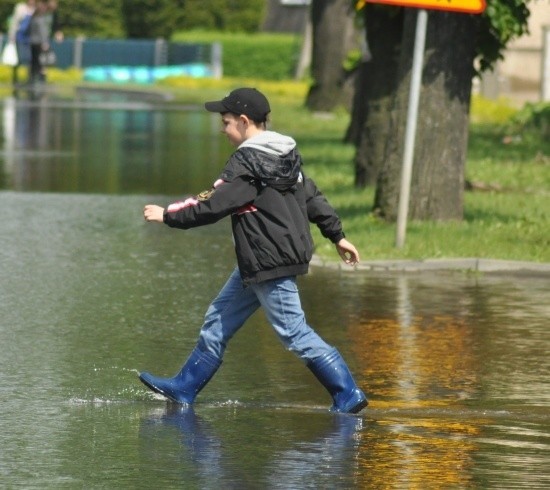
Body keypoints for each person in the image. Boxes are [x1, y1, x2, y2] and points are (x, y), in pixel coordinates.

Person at [139, 88, 368, 414]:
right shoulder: (285, 154)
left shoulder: (248, 162)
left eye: (226, 122)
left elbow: (214, 203)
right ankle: (185, 387)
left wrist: (168, 215)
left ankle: (347, 393)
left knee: (294, 332)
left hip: (267, 258)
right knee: (218, 319)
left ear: (244, 122)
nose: (222, 128)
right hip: (265, 258)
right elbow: (313, 196)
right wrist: (337, 235)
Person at [6, 0, 36, 84]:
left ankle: (29, 78)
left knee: (30, 58)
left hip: (31, 37)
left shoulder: (36, 9)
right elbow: (14, 22)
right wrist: (12, 36)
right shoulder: (21, 8)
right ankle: (15, 78)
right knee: (19, 58)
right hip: (20, 37)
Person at [28, 0, 50, 84]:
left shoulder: (33, 18)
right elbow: (42, 32)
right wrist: (45, 42)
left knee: (34, 60)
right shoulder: (40, 19)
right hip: (39, 42)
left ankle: (32, 76)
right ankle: (39, 78)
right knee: (40, 61)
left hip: (32, 41)